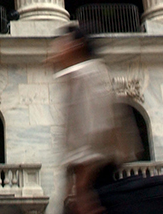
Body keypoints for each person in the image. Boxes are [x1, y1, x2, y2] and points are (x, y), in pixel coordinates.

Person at [49, 25, 139, 214]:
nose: (56, 48)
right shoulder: (74, 77)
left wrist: (83, 187)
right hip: (85, 182)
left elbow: (98, 130)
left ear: (77, 45)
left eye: (62, 42)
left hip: (95, 182)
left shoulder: (89, 74)